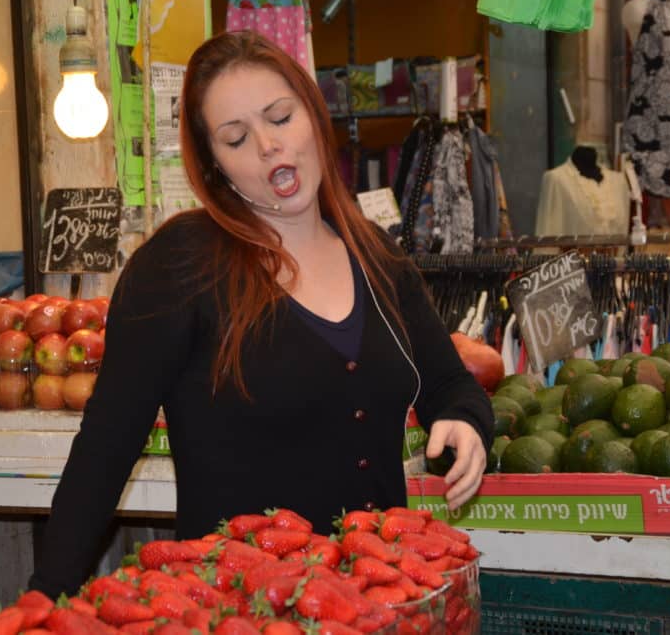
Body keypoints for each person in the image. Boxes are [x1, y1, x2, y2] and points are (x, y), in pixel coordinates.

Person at [29, 31, 494, 598]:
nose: (269, 145)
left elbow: (449, 384)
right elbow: (105, 450)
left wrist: (467, 423)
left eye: (280, 117)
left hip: (375, 605)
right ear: (215, 166)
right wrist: (41, 602)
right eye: (236, 137)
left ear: (312, 114)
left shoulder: (375, 254)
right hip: (239, 609)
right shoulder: (180, 267)